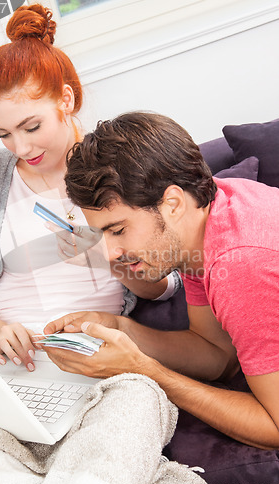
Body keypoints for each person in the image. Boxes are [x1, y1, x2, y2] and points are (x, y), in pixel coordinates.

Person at [0, 6, 171, 372]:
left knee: (133, 409)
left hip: (96, 354)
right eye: (3, 134)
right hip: (0, 358)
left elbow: (169, 282)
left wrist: (110, 258)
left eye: (31, 127)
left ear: (65, 100)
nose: (20, 148)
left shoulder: (119, 165)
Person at [39, 111, 279, 450]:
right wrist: (122, 330)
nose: (109, 254)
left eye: (118, 230)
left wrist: (145, 370)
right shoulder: (205, 224)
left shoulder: (239, 265)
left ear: (172, 204)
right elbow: (217, 357)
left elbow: (276, 429)